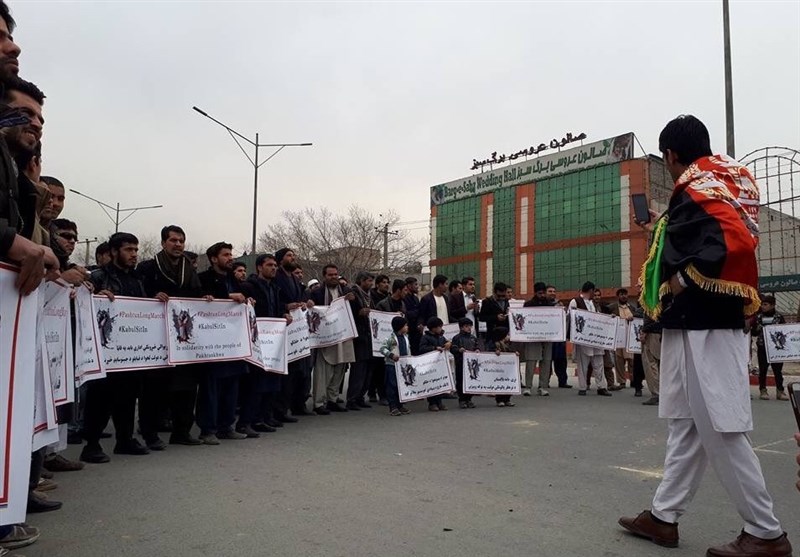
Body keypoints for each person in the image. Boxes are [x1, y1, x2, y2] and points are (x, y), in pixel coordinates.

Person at [620, 115, 791, 555]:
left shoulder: (698, 187)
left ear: (670, 154)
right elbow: (702, 232)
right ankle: (664, 516)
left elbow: (730, 243)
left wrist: (681, 281)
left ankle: (765, 531)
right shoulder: (724, 179)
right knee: (686, 423)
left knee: (719, 424)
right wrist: (661, 227)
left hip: (706, 320)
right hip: (694, 321)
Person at [81, 232, 151, 463]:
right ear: (113, 252)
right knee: (100, 397)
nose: (134, 254)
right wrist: (95, 296)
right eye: (129, 249)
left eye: (136, 250)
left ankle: (125, 440)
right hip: (105, 351)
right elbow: (81, 302)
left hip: (130, 352)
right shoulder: (98, 277)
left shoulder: (136, 280)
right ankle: (91, 444)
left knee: (128, 396)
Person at [137, 225, 205, 447]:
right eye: (173, 240)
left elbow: (196, 295)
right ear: (163, 243)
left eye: (181, 241)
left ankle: (181, 432)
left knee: (187, 387)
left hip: (184, 338)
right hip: (156, 338)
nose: (178, 245)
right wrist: (151, 297)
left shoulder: (189, 269)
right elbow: (136, 297)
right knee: (154, 388)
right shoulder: (148, 267)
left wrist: (206, 300)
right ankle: (150, 434)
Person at [196, 242, 248, 444]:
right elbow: (198, 303)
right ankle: (208, 429)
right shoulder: (203, 279)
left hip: (232, 344)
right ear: (213, 258)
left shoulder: (233, 280)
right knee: (211, 389)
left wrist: (247, 301)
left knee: (231, 388)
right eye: (225, 255)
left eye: (230, 254)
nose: (230, 258)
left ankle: (226, 426)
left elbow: (240, 301)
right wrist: (225, 297)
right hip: (211, 345)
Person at [237, 254, 292, 434]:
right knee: (254, 383)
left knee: (271, 381)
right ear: (259, 267)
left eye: (275, 265)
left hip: (272, 341)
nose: (274, 268)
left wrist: (283, 316)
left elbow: (276, 310)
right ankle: (246, 422)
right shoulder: (248, 287)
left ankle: (263, 417)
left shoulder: (274, 288)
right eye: (269, 265)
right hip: (255, 341)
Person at [273, 247, 313, 419]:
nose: (293, 257)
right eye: (289, 255)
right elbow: (274, 300)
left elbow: (299, 298)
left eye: (294, 255)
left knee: (298, 372)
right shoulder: (277, 277)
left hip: (296, 331)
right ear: (281, 259)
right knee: (285, 374)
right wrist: (285, 307)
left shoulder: (294, 279)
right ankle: (280, 410)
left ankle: (296, 405)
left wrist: (302, 303)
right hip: (283, 329)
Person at [309, 264, 355, 414]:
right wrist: (310, 304)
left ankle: (332, 400)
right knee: (323, 371)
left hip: (343, 334)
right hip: (326, 337)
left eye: (335, 274)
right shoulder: (316, 292)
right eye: (330, 275)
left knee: (339, 369)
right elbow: (310, 309)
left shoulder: (346, 291)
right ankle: (319, 403)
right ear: (324, 276)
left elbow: (355, 309)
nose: (334, 277)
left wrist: (352, 300)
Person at [568, 281, 612, 397]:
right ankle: (582, 387)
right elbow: (571, 317)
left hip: (595, 338)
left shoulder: (592, 303)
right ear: (591, 290)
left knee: (599, 363)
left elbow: (598, 317)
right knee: (583, 364)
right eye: (594, 291)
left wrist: (609, 318)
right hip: (582, 338)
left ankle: (601, 387)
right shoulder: (575, 301)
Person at [347, 271, 375, 411]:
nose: (371, 284)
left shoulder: (369, 296)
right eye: (369, 281)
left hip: (369, 336)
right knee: (358, 369)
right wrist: (359, 313)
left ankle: (360, 397)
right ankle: (352, 399)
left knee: (368, 370)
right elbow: (347, 313)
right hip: (359, 337)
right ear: (361, 281)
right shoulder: (353, 294)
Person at [751, 295, 788, 401]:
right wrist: (758, 329)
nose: (763, 306)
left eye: (765, 304)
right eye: (762, 304)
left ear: (772, 305)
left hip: (776, 348)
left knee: (778, 370)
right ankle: (763, 390)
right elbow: (753, 333)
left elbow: (784, 331)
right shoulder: (758, 317)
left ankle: (780, 391)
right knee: (763, 370)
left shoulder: (779, 317)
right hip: (763, 347)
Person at [522, 282, 553, 396]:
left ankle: (542, 387)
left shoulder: (550, 305)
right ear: (535, 293)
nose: (542, 295)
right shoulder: (528, 305)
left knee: (546, 361)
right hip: (533, 337)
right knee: (531, 361)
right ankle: (528, 387)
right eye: (540, 293)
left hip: (547, 337)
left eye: (544, 293)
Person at [379, 316, 412, 417]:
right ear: (400, 327)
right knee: (392, 386)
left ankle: (400, 405)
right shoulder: (390, 338)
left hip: (403, 366)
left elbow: (408, 350)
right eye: (405, 325)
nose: (407, 327)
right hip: (392, 365)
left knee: (401, 385)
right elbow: (382, 349)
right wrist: (391, 355)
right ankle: (393, 406)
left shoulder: (406, 338)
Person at [418, 317, 451, 411]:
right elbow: (422, 349)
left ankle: (439, 402)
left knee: (439, 382)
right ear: (433, 328)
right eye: (439, 327)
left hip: (440, 365)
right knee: (431, 383)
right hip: (430, 365)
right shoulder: (425, 337)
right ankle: (432, 403)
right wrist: (434, 348)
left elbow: (446, 343)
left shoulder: (441, 337)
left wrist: (449, 343)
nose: (441, 329)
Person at [608, 288, 636, 390]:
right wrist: (611, 317)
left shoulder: (632, 308)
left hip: (630, 338)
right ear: (618, 296)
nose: (624, 296)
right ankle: (622, 382)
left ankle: (634, 380)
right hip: (618, 338)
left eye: (625, 294)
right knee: (619, 361)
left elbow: (637, 319)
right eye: (621, 294)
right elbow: (606, 317)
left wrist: (633, 318)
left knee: (632, 361)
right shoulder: (612, 307)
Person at [450, 317, 478, 408]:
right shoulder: (457, 338)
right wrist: (459, 350)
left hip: (471, 364)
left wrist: (477, 350)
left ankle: (469, 399)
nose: (469, 328)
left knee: (471, 380)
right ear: (461, 327)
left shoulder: (473, 338)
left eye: (470, 326)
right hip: (460, 363)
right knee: (461, 381)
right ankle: (462, 399)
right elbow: (453, 348)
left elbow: (476, 346)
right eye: (466, 326)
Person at [546, 285, 570, 388]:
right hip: (547, 337)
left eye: (554, 291)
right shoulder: (542, 305)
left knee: (561, 360)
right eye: (550, 291)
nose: (552, 293)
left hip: (559, 338)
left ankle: (563, 381)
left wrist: (564, 311)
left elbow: (566, 319)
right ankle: (545, 382)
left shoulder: (559, 304)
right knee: (546, 361)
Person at [486, 326, 516, 407]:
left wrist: (514, 353)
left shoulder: (505, 344)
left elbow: (509, 351)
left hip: (506, 368)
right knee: (499, 383)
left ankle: (507, 399)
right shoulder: (494, 344)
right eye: (506, 335)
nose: (508, 336)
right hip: (498, 368)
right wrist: (495, 352)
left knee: (508, 383)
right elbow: (489, 352)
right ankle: (499, 400)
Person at [640, 307, 662, 406]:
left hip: (652, 334)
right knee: (659, 365)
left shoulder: (651, 302)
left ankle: (656, 394)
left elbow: (651, 318)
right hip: (660, 333)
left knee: (651, 365)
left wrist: (644, 331)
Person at [403, 277, 422, 354]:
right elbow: (406, 313)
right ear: (409, 286)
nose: (417, 287)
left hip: (417, 331)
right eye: (415, 284)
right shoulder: (404, 298)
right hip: (408, 331)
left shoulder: (416, 298)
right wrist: (417, 312)